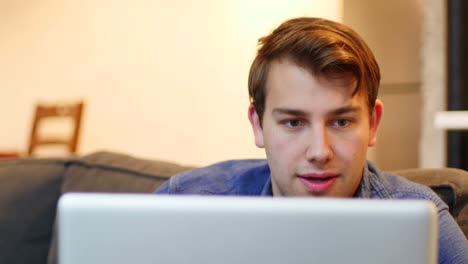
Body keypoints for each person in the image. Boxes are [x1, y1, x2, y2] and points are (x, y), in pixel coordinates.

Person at [156, 17, 468, 262]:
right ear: (258, 125)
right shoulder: (184, 202)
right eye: (293, 122)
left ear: (372, 124)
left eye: (342, 121)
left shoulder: (421, 222)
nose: (320, 152)